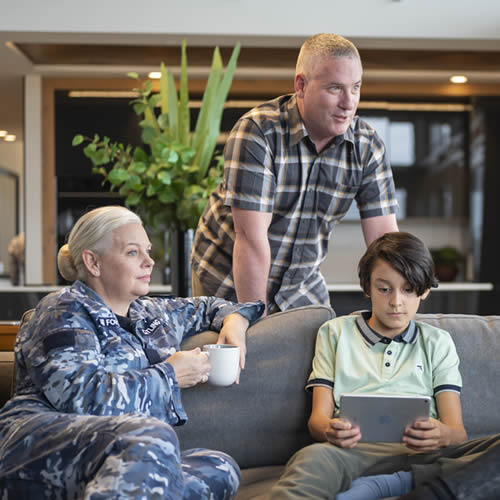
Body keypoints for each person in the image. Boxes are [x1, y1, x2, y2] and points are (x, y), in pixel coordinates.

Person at [0, 206, 264, 499]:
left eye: (148, 251)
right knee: (153, 439)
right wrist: (171, 375)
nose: (149, 261)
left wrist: (235, 321)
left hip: (120, 449)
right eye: (132, 252)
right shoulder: (62, 311)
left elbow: (211, 306)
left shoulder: (149, 312)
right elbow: (83, 400)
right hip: (36, 444)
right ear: (93, 262)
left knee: (219, 466)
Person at [269, 231, 500, 499]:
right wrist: (331, 431)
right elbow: (317, 421)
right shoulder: (334, 333)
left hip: (427, 454)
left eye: (408, 289)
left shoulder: (438, 342)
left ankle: (396, 484)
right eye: (384, 288)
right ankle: (408, 483)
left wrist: (442, 434)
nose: (396, 302)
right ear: (367, 287)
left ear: (424, 291)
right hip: (353, 452)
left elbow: (458, 433)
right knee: (312, 459)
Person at [191, 33, 399, 315]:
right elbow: (251, 240)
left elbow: (384, 240)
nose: (349, 103)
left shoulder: (367, 146)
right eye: (336, 88)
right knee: (245, 354)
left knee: (323, 354)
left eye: (356, 88)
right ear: (301, 86)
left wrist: (400, 308)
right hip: (226, 278)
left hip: (301, 284)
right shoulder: (258, 132)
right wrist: (256, 325)